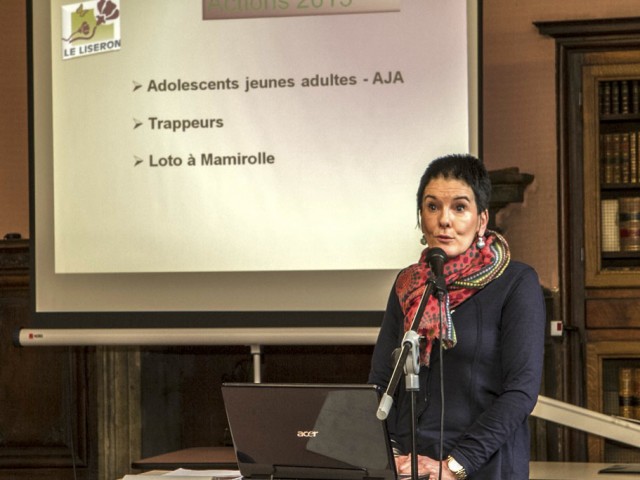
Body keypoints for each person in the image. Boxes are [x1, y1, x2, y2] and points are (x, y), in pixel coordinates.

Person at [368, 154, 545, 480]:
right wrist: (390, 457)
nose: (444, 220)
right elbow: (381, 381)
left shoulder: (515, 283)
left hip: (483, 466)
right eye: (432, 206)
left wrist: (454, 466)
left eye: (459, 207)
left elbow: (521, 391)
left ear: (481, 220)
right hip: (409, 469)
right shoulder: (408, 285)